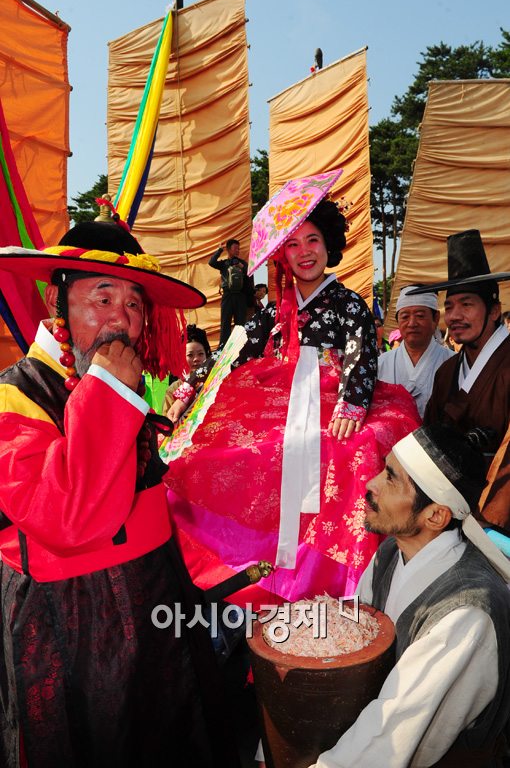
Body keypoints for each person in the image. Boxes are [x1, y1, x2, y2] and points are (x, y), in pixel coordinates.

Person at [0, 220, 238, 768]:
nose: (121, 318)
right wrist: (105, 391)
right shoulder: (16, 395)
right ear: (59, 306)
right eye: (101, 297)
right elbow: (66, 517)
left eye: (133, 303)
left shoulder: (124, 385)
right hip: (70, 627)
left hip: (157, 601)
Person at [167, 182, 420, 605]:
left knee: (352, 450)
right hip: (278, 399)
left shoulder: (350, 304)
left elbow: (362, 355)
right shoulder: (272, 311)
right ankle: (250, 563)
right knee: (218, 451)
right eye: (294, 244)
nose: (305, 251)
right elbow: (231, 353)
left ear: (329, 245)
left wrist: (352, 402)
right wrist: (190, 387)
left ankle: (333, 572)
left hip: (331, 394)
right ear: (282, 255)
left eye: (313, 240)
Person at [310, 423, 510, 768]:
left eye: (391, 478)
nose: (371, 484)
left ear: (435, 515)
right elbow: (356, 641)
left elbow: (393, 731)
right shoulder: (391, 552)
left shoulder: (466, 613)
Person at [420, 230, 510, 529]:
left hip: (499, 513)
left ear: (494, 310)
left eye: (467, 304)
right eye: (449, 307)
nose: (455, 315)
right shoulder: (447, 372)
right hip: (449, 507)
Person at [378, 286, 454, 418]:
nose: (412, 323)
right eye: (405, 316)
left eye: (420, 316)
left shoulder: (454, 363)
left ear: (435, 318)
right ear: (398, 321)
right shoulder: (380, 364)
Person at [163, 324, 211, 416]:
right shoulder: (173, 389)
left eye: (200, 354)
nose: (196, 359)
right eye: (190, 355)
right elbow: (167, 423)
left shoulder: (215, 381)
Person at [209, 238, 249, 346]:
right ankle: (223, 346)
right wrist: (219, 250)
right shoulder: (224, 264)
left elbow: (249, 274)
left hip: (240, 296)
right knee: (225, 321)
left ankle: (240, 346)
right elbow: (211, 262)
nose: (237, 251)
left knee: (240, 323)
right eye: (235, 248)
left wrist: (243, 269)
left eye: (238, 249)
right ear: (228, 249)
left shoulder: (242, 263)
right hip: (227, 295)